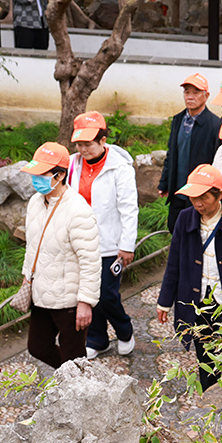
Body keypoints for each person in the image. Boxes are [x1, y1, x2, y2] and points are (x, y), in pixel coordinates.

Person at [156, 165, 222, 391]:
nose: (197, 203)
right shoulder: (185, 219)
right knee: (205, 356)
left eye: (203, 197)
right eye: (193, 197)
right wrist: (164, 301)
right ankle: (209, 397)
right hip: (199, 302)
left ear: (219, 194)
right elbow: (174, 262)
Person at [20, 142, 102, 369]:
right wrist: (27, 276)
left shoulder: (78, 210)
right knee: (37, 347)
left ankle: (79, 386)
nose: (36, 179)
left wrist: (86, 302)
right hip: (41, 294)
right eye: (34, 173)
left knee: (74, 359)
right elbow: (32, 245)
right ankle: (70, 379)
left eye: (42, 174)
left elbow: (90, 261)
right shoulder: (35, 202)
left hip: (69, 302)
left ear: (60, 175)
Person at [66, 112, 138, 359]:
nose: (82, 149)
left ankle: (124, 330)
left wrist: (127, 245)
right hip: (80, 241)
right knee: (87, 292)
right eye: (79, 144)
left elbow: (129, 208)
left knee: (107, 295)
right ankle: (97, 338)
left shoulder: (120, 167)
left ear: (103, 140)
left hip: (109, 243)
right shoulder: (72, 164)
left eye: (88, 144)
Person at [158, 72, 221, 232]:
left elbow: (218, 161)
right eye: (187, 92)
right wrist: (165, 182)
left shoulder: (214, 125)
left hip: (201, 193)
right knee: (175, 228)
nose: (190, 97)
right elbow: (171, 154)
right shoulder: (178, 120)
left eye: (196, 92)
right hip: (178, 189)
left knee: (197, 231)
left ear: (206, 96)